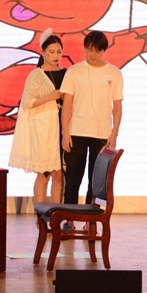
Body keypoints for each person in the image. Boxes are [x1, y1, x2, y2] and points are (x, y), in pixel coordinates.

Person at [60, 31, 123, 216]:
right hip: (76, 131)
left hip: (102, 133)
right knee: (72, 179)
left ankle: (91, 220)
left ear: (104, 51)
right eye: (89, 50)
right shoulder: (74, 71)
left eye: (97, 50)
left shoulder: (114, 73)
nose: (93, 54)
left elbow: (117, 107)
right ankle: (68, 219)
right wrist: (65, 133)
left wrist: (114, 133)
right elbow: (66, 104)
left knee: (97, 181)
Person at [9, 30, 65, 204]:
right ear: (43, 52)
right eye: (51, 52)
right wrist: (51, 96)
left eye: (59, 52)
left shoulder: (66, 73)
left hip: (63, 128)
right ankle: (40, 215)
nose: (55, 56)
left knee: (59, 174)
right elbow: (27, 102)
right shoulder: (36, 75)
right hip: (44, 130)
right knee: (43, 174)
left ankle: (56, 213)